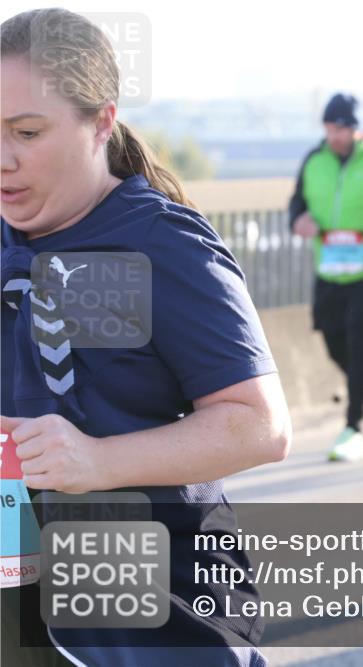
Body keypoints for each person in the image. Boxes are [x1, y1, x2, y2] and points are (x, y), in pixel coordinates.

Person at [1, 9, 291, 665]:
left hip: (156, 620)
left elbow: (260, 424)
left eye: (27, 131)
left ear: (101, 121)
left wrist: (97, 461)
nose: (3, 157)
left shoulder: (162, 244)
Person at [289, 93, 363, 462]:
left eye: (339, 128)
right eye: (328, 127)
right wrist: (298, 221)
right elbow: (297, 203)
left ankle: (353, 428)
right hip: (329, 267)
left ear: (355, 128)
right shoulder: (314, 158)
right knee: (334, 344)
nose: (333, 135)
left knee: (359, 344)